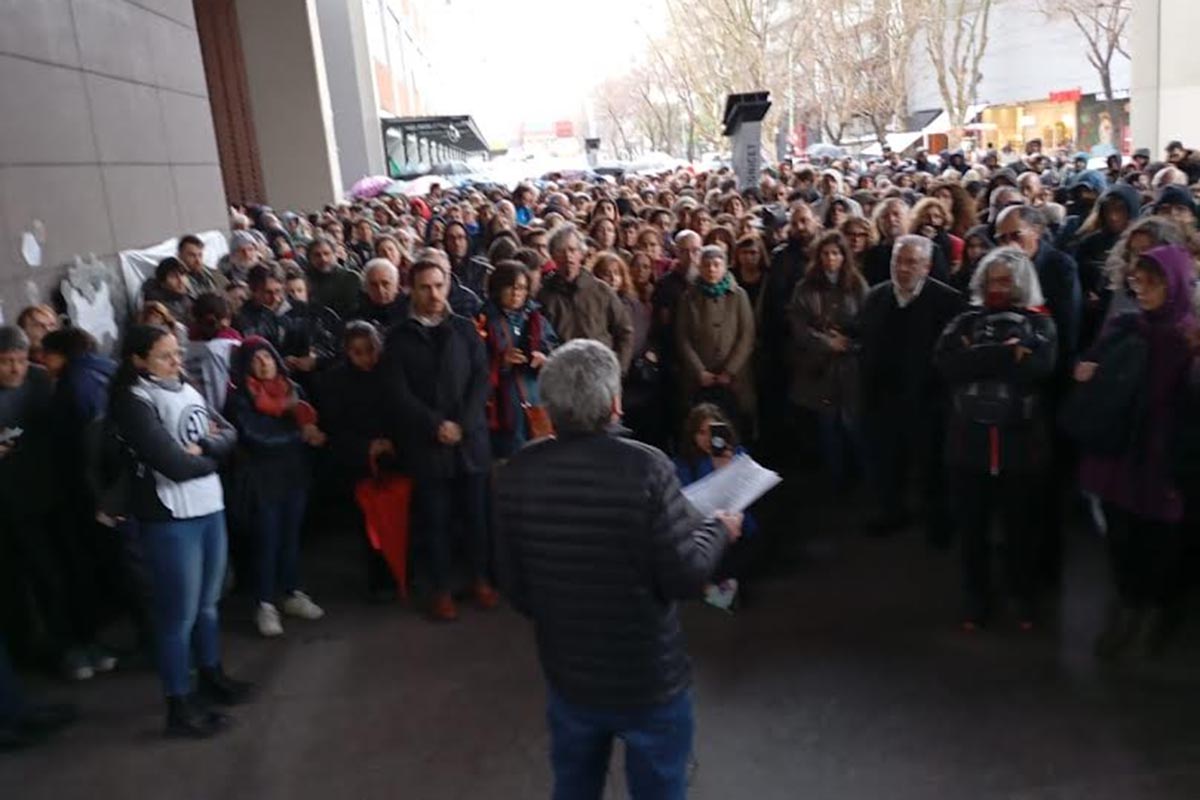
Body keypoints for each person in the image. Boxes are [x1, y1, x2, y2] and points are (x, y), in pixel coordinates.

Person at [494, 339, 741, 800]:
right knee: (659, 787)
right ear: (614, 403)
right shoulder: (648, 467)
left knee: (574, 785)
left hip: (569, 675)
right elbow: (685, 576)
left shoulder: (518, 471)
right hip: (648, 677)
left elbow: (514, 585)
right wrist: (719, 531)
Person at [108, 325, 250, 738]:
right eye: (164, 356)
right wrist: (212, 457)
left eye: (176, 353)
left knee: (208, 603)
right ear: (138, 361)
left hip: (208, 504)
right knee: (178, 616)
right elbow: (171, 463)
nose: (176, 362)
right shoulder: (133, 400)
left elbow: (228, 432)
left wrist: (206, 450)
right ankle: (179, 702)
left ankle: (211, 675)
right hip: (171, 516)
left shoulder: (184, 385)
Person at [1078, 245, 1198, 658]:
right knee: (1121, 537)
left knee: (1160, 543)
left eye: (1153, 281)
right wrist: (1088, 369)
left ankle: (1154, 611)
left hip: (1165, 457)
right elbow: (1094, 362)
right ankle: (1128, 606)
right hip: (1119, 452)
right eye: (1136, 279)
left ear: (1177, 284)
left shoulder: (1189, 337)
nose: (1141, 288)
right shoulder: (1126, 326)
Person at [935, 248, 1058, 629]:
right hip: (967, 445)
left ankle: (1023, 596)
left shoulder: (1040, 323)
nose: (998, 287)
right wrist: (1005, 355)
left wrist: (979, 357)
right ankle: (976, 597)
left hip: (1020, 447)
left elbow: (1041, 368)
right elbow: (945, 364)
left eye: (1006, 280)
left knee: (1021, 529)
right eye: (993, 280)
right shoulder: (964, 320)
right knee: (972, 531)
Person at [383, 258, 496, 621]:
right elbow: (398, 395)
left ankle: (480, 578)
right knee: (437, 520)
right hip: (427, 444)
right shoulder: (398, 338)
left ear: (449, 284)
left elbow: (481, 379)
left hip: (469, 440)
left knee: (477, 516)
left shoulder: (464, 329)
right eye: (425, 287)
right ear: (411, 290)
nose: (434, 294)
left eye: (439, 285)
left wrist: (462, 423)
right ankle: (442, 588)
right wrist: (436, 425)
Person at [859, 235, 963, 542]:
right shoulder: (876, 296)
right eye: (897, 262)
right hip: (884, 398)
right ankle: (892, 511)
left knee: (931, 466)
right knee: (888, 462)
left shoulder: (948, 301)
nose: (902, 269)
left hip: (928, 400)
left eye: (911, 262)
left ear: (927, 266)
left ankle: (938, 521)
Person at [225, 338, 327, 638]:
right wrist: (301, 436)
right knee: (266, 540)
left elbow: (307, 419)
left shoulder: (293, 390)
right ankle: (265, 603)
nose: (264, 363)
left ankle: (292, 592)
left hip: (294, 475)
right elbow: (256, 438)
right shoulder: (240, 399)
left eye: (267, 357)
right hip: (261, 479)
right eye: (255, 360)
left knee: (291, 537)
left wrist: (309, 435)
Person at [319, 322, 401, 600]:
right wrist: (368, 446)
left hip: (395, 453)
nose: (366, 358)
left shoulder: (389, 374)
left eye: (370, 351)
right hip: (357, 460)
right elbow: (334, 425)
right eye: (358, 352)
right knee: (370, 525)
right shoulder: (335, 380)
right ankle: (379, 581)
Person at [788, 231, 868, 490]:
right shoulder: (805, 286)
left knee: (853, 425)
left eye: (835, 253)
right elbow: (798, 326)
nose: (830, 259)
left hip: (850, 367)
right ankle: (836, 480)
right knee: (827, 426)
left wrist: (848, 343)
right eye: (825, 253)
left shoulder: (857, 285)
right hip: (819, 369)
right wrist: (826, 342)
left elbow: (868, 324)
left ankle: (862, 478)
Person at [674, 403, 760, 610]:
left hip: (737, 532)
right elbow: (690, 502)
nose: (706, 438)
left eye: (712, 431)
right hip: (701, 533)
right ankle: (713, 590)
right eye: (701, 432)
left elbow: (745, 503)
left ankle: (719, 590)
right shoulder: (682, 464)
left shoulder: (737, 456)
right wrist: (710, 467)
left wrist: (727, 468)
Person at [478, 261, 559, 458]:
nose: (516, 293)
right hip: (502, 405)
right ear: (498, 288)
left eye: (522, 288)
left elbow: (555, 348)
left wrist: (545, 359)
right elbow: (474, 361)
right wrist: (500, 361)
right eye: (510, 287)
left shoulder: (536, 319)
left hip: (535, 398)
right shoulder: (483, 320)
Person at [675, 246, 757, 434]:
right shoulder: (689, 297)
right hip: (700, 378)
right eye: (707, 265)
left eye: (716, 265)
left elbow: (747, 335)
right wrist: (699, 371)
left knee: (735, 426)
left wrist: (730, 371)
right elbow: (683, 337)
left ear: (725, 267)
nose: (711, 269)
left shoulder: (738, 295)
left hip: (734, 378)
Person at [538, 224, 634, 372]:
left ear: (581, 254)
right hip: (563, 375)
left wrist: (619, 369)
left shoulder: (601, 291)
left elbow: (624, 331)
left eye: (572, 250)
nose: (567, 256)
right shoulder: (544, 296)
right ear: (553, 256)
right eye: (560, 251)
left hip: (601, 373)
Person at [305, 236, 362, 318]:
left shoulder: (350, 278)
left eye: (326, 254)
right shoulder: (305, 280)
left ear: (335, 255)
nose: (323, 259)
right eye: (317, 255)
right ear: (310, 258)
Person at [354, 258, 407, 331]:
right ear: (366, 288)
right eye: (374, 285)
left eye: (385, 284)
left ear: (396, 285)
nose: (380, 290)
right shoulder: (356, 319)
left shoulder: (411, 311)